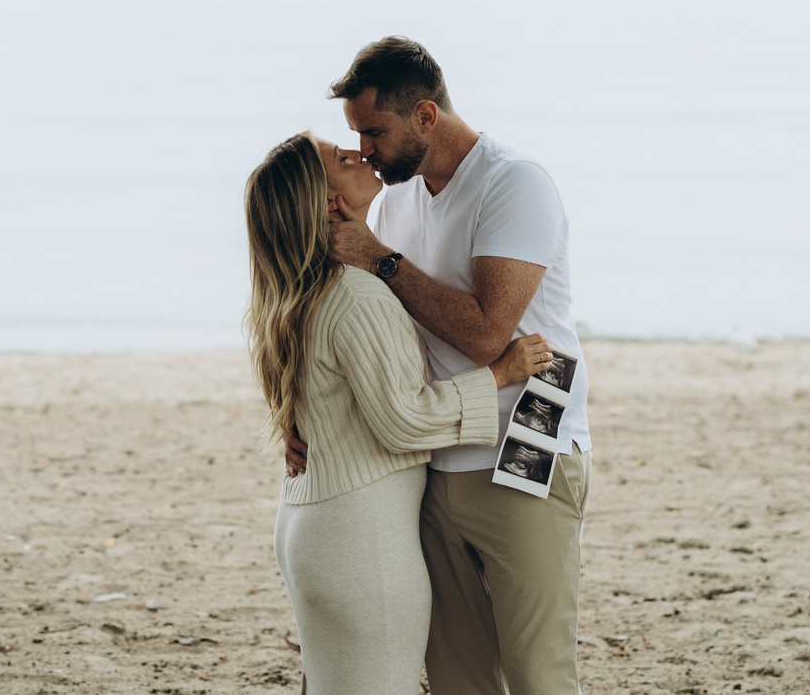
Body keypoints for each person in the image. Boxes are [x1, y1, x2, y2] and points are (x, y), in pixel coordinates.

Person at [326, 36, 593, 695]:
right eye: (356, 134)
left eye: (374, 131)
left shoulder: (513, 183)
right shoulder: (396, 198)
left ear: (425, 116)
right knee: (455, 674)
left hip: (528, 436)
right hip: (434, 456)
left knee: (538, 672)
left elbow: (484, 333)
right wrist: (309, 421)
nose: (364, 149)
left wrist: (379, 259)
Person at [244, 132, 552, 695]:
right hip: (360, 539)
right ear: (330, 201)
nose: (360, 153)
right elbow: (405, 420)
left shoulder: (298, 291)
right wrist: (498, 375)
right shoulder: (356, 294)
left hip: (315, 524)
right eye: (343, 157)